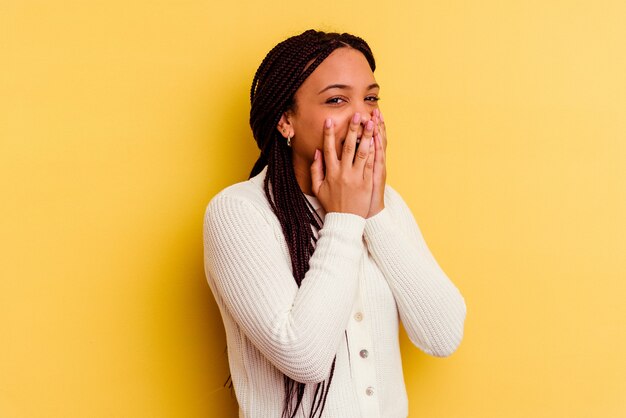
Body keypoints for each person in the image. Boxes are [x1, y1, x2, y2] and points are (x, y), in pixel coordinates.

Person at [203, 29, 466, 418]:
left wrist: (372, 212)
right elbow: (304, 357)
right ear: (285, 120)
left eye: (371, 98)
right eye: (337, 99)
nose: (362, 116)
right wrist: (344, 217)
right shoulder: (239, 213)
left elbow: (442, 336)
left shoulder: (386, 205)